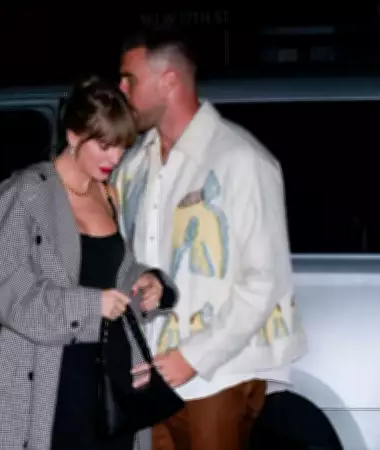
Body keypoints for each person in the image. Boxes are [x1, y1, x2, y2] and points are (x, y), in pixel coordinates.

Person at [110, 29, 308, 450]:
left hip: (218, 376)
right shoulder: (135, 165)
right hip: (152, 373)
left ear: (169, 80)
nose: (120, 89)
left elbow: (265, 280)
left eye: (130, 79)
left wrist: (193, 357)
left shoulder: (240, 160)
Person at [0, 76, 178, 450]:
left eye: (122, 146)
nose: (115, 159)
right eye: (105, 146)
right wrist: (90, 305)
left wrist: (147, 281)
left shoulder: (107, 193)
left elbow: (115, 270)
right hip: (49, 374)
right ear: (74, 135)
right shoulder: (27, 193)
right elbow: (6, 294)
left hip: (110, 372)